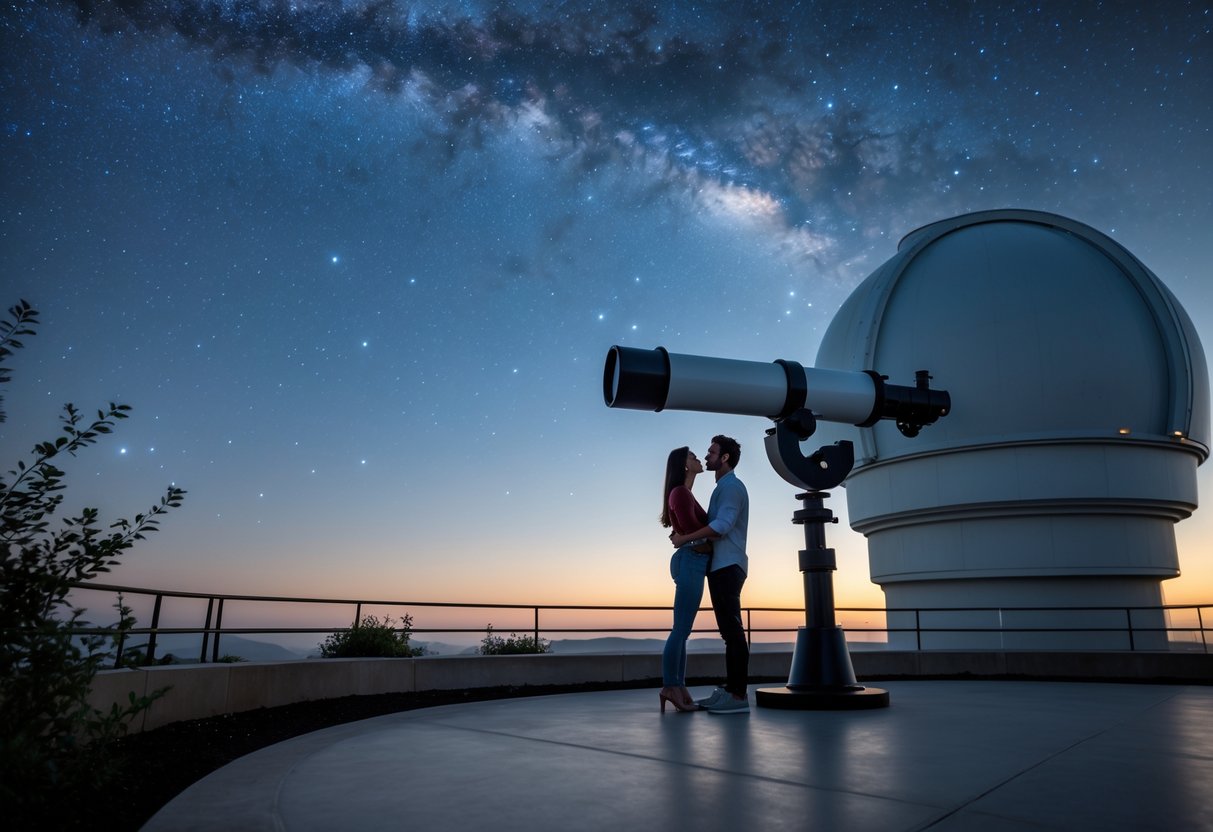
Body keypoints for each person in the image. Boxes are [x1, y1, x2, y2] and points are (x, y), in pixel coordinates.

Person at [670, 435, 750, 714]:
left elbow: (722, 526)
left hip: (728, 566)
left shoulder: (731, 488)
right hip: (722, 566)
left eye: (712, 452)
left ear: (725, 458)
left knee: (733, 632)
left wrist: (684, 538)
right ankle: (731, 690)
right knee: (729, 632)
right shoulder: (722, 488)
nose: (706, 456)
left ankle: (738, 697)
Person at [659, 446, 712, 713]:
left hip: (692, 560)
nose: (698, 459)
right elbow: (693, 531)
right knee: (680, 630)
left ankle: (678, 686)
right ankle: (670, 686)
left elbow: (693, 531)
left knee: (683, 631)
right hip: (690, 560)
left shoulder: (685, 493)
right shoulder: (679, 493)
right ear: (683, 465)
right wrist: (711, 534)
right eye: (692, 456)